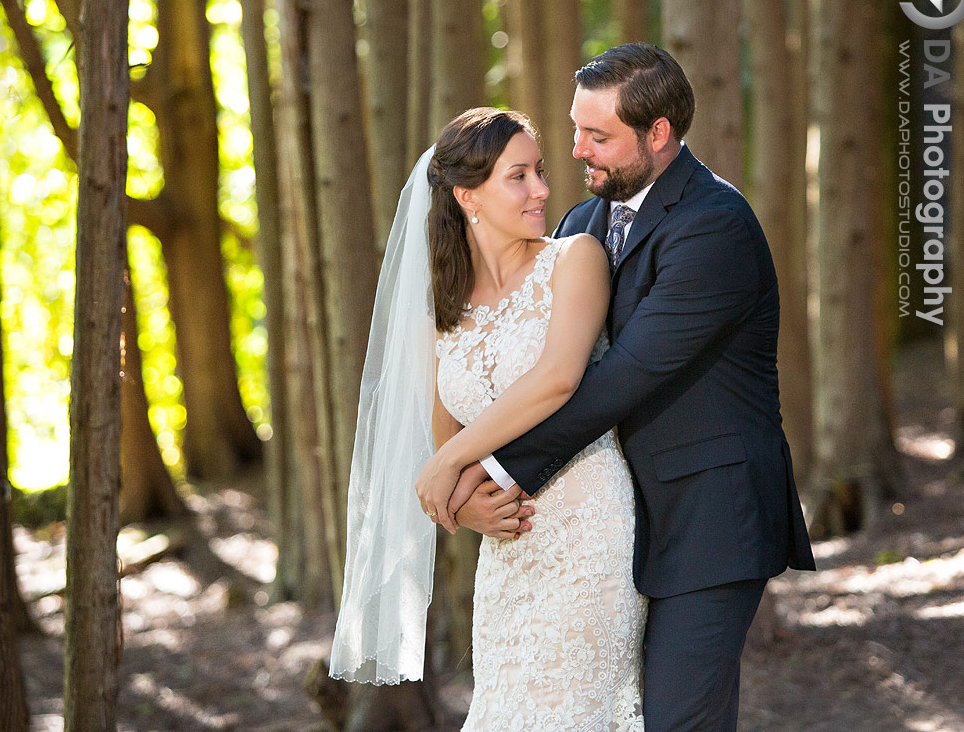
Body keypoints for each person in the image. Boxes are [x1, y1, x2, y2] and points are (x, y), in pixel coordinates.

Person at [419, 42, 817, 731]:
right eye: (575, 128)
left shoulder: (713, 226)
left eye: (597, 135)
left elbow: (616, 380)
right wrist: (474, 503)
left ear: (657, 135)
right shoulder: (582, 225)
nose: (576, 150)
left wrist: (474, 468)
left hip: (707, 518)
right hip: (615, 524)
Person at [330, 107, 646, 730]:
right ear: (466, 194)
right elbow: (449, 446)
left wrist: (445, 466)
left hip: (589, 532)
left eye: (540, 172)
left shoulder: (575, 259)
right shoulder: (440, 313)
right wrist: (464, 507)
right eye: (519, 176)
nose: (543, 191)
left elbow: (557, 379)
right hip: (506, 553)